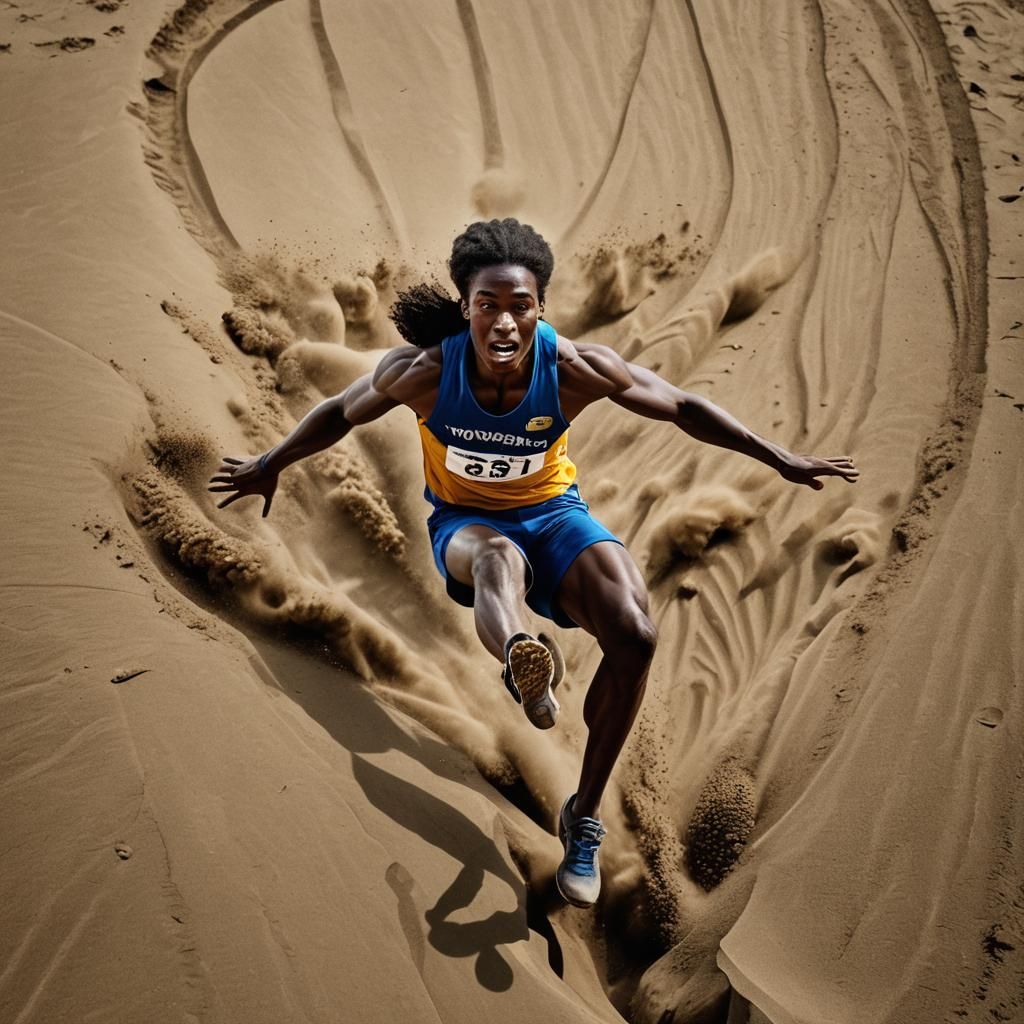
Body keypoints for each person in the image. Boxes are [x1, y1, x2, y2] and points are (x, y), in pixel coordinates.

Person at [208, 218, 858, 908]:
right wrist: (268, 463)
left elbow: (681, 406)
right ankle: (523, 653)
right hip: (466, 525)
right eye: (488, 304)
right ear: (466, 310)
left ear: (540, 309)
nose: (505, 322)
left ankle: (583, 815)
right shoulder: (424, 372)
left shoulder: (573, 368)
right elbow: (342, 411)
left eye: (520, 305)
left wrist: (777, 456)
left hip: (555, 518)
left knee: (635, 635)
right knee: (494, 561)